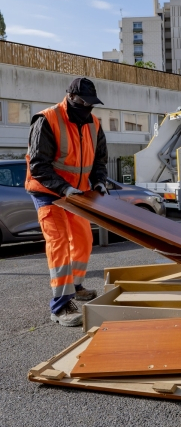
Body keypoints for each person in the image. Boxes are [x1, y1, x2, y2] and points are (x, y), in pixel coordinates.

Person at [25, 77, 108, 327]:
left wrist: (99, 181)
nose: (88, 107)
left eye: (91, 103)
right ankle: (61, 306)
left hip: (77, 193)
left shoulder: (94, 123)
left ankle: (76, 286)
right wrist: (64, 188)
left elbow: (100, 161)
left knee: (83, 239)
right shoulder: (47, 120)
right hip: (48, 192)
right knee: (59, 242)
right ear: (70, 97)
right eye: (84, 102)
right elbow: (39, 165)